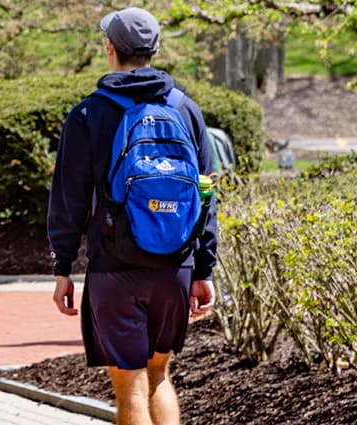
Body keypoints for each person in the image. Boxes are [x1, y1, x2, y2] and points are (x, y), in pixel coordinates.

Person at [48, 8, 218, 425]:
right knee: (159, 374)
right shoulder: (185, 109)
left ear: (110, 48)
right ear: (155, 49)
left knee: (129, 385)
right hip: (174, 265)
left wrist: (63, 267)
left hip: (114, 266)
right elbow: (207, 192)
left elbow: (69, 198)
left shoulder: (88, 114)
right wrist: (204, 268)